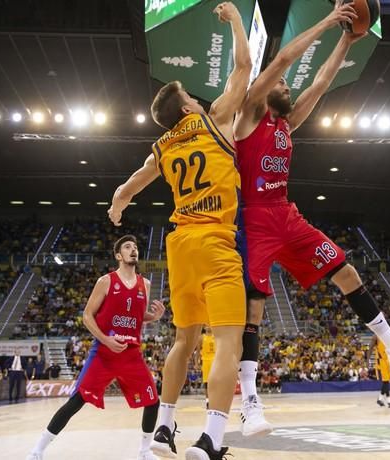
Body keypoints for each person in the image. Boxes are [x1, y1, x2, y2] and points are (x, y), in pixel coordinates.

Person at [232, 1, 390, 436]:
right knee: (252, 312)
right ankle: (250, 403)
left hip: (287, 215)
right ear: (266, 86)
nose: (289, 85)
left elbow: (322, 81)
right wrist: (329, 21)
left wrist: (347, 39)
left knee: (344, 270)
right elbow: (284, 59)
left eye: (289, 84)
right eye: (283, 83)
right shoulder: (249, 114)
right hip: (253, 221)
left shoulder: (288, 123)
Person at [108, 4, 252, 458]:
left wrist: (118, 204)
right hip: (214, 239)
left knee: (183, 340)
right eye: (190, 93)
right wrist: (234, 20)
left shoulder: (163, 146)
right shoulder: (213, 120)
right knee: (229, 338)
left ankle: (164, 428)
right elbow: (245, 68)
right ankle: (210, 439)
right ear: (188, 105)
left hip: (180, 246)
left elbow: (130, 184)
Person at [26, 235, 166, 460]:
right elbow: (87, 316)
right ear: (119, 255)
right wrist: (105, 339)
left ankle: (144, 452)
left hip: (131, 354)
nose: (133, 250)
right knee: (76, 401)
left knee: (153, 401)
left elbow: (137, 316)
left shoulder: (145, 284)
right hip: (104, 352)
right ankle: (37, 450)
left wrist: (153, 317)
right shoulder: (106, 281)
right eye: (128, 247)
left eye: (136, 247)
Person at [372, 335, 390, 408]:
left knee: (386, 382)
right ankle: (389, 400)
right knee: (386, 382)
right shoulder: (377, 339)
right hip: (381, 363)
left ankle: (380, 398)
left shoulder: (386, 341)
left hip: (387, 362)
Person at [201, 327, 216, 409]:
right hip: (205, 362)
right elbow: (197, 351)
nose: (208, 326)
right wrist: (196, 363)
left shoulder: (216, 336)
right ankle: (207, 401)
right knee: (206, 383)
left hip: (215, 361)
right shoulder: (201, 337)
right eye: (206, 325)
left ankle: (214, 399)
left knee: (215, 382)